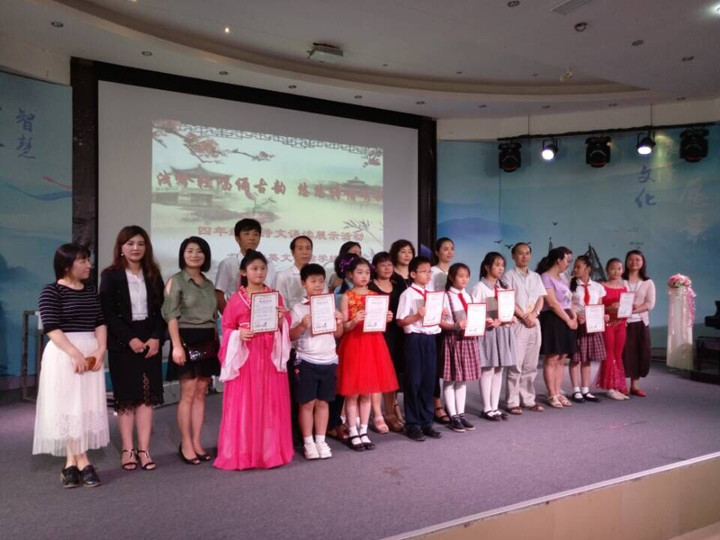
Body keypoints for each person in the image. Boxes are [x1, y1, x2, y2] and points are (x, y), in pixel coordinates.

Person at [33, 243, 109, 488]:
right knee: (69, 406)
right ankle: (84, 461)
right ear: (67, 265)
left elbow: (100, 322)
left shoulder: (90, 291)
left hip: (90, 351)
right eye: (83, 261)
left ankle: (70, 464)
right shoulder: (51, 291)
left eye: (88, 260)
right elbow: (52, 327)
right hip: (64, 352)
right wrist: (74, 353)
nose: (89, 265)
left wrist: (100, 349)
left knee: (83, 406)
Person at [215, 251, 294, 470]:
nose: (259, 272)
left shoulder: (274, 296)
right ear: (244, 272)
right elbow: (227, 327)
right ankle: (243, 452)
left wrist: (282, 319)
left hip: (269, 357)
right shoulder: (236, 299)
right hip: (246, 358)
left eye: (262, 268)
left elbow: (285, 323)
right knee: (245, 403)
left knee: (270, 403)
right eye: (254, 268)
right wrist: (238, 335)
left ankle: (268, 452)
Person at [100, 226, 166, 471]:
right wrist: (130, 339)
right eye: (130, 243)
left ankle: (144, 450)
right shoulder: (110, 275)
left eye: (140, 243)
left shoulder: (153, 274)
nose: (135, 248)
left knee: (146, 398)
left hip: (150, 342)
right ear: (121, 247)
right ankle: (127, 449)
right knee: (126, 399)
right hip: (122, 343)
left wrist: (156, 337)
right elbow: (108, 313)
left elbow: (163, 310)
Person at [162, 236, 219, 465]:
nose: (195, 255)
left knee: (201, 393)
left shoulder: (208, 283)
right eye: (190, 251)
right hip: (185, 339)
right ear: (182, 254)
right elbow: (170, 315)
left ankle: (196, 442)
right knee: (187, 394)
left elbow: (213, 317)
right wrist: (176, 346)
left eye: (199, 251)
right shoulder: (175, 281)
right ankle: (186, 443)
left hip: (207, 339)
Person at [337, 257, 398, 451]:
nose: (364, 276)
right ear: (350, 275)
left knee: (367, 392)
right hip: (354, 345)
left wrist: (387, 318)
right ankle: (352, 430)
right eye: (359, 272)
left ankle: (363, 430)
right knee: (352, 393)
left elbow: (378, 323)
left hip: (373, 345)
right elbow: (344, 327)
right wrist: (354, 321)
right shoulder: (347, 296)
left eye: (367, 272)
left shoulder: (375, 296)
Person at [289, 264, 344, 459]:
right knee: (307, 403)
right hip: (306, 360)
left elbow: (338, 334)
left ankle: (321, 440)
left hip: (329, 360)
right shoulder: (298, 308)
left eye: (321, 281)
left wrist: (339, 321)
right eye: (313, 281)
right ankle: (308, 442)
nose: (318, 285)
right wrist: (302, 325)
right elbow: (290, 336)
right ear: (303, 283)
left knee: (323, 402)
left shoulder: (329, 305)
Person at [396, 255, 444, 441]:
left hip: (430, 339)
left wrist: (440, 313)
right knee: (413, 382)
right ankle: (413, 424)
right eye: (423, 272)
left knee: (428, 382)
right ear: (413, 274)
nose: (428, 275)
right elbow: (401, 321)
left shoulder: (432, 294)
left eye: (429, 271)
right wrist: (417, 316)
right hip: (415, 339)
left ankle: (427, 422)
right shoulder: (408, 294)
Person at [470, 252, 517, 422]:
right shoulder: (479, 288)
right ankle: (486, 408)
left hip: (503, 331)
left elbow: (507, 308)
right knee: (488, 369)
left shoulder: (503, 288)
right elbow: (474, 311)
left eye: (502, 265)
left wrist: (511, 317)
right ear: (487, 267)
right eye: (497, 265)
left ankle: (495, 407)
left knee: (499, 369)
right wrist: (487, 321)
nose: (500, 268)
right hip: (488, 332)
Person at [503, 242, 546, 414]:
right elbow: (509, 300)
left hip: (534, 322)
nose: (524, 256)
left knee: (531, 364)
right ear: (513, 256)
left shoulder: (536, 276)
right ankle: (512, 401)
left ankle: (528, 399)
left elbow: (541, 298)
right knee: (516, 365)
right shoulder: (508, 276)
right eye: (520, 253)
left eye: (527, 253)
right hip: (519, 323)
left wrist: (534, 314)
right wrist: (524, 316)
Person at [438, 263, 480, 432]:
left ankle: (461, 414)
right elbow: (439, 321)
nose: (464, 279)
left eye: (467, 276)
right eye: (460, 276)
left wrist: (484, 322)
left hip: (468, 340)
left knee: (463, 379)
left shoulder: (470, 296)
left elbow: (476, 318)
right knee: (450, 379)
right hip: (452, 339)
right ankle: (453, 415)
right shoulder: (445, 296)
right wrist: (454, 326)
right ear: (451, 277)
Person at [368, 251, 406, 433]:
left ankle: (389, 413)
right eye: (382, 265)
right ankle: (378, 415)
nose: (387, 268)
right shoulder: (369, 287)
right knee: (376, 375)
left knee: (393, 375)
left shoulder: (399, 284)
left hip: (397, 335)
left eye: (389, 264)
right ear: (375, 268)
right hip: (377, 335)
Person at [536, 247, 578, 409]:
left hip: (567, 318)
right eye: (567, 260)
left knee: (562, 358)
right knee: (552, 357)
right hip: (553, 319)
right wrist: (568, 320)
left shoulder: (563, 278)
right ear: (558, 260)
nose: (568, 264)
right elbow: (552, 303)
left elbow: (569, 301)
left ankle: (558, 392)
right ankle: (552, 394)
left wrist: (574, 317)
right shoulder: (545, 277)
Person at [215, 218, 275, 314]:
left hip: (263, 316)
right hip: (236, 316)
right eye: (246, 234)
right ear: (237, 238)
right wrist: (229, 317)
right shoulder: (228, 263)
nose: (252, 238)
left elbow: (272, 292)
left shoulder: (269, 264)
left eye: (255, 234)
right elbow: (219, 294)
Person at [568, 255, 606, 403]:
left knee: (587, 359)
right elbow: (567, 305)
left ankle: (585, 390)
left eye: (579, 266)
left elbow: (599, 306)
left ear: (588, 269)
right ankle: (575, 390)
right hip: (578, 325)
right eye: (575, 266)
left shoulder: (598, 287)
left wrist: (603, 316)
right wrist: (576, 316)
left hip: (592, 326)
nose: (575, 269)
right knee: (575, 358)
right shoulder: (570, 285)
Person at [622, 250, 656, 397]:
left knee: (639, 352)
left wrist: (634, 310)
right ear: (626, 262)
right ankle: (620, 385)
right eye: (630, 259)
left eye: (637, 259)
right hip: (622, 323)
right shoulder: (620, 280)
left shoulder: (648, 282)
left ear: (643, 262)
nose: (634, 262)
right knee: (623, 353)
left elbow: (650, 304)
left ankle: (634, 386)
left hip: (641, 322)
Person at [596, 258, 630, 400]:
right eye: (612, 268)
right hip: (608, 324)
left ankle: (618, 385)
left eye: (619, 268)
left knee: (618, 354)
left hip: (621, 324)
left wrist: (628, 311)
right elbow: (597, 307)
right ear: (607, 270)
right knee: (609, 354)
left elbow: (626, 308)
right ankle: (610, 387)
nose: (616, 272)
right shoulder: (602, 287)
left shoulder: (624, 288)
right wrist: (611, 308)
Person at [275, 235, 314, 311]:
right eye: (300, 248)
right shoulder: (283, 276)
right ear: (293, 252)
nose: (305, 252)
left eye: (308, 248)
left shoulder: (318, 274)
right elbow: (281, 304)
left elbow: (323, 297)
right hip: (291, 317)